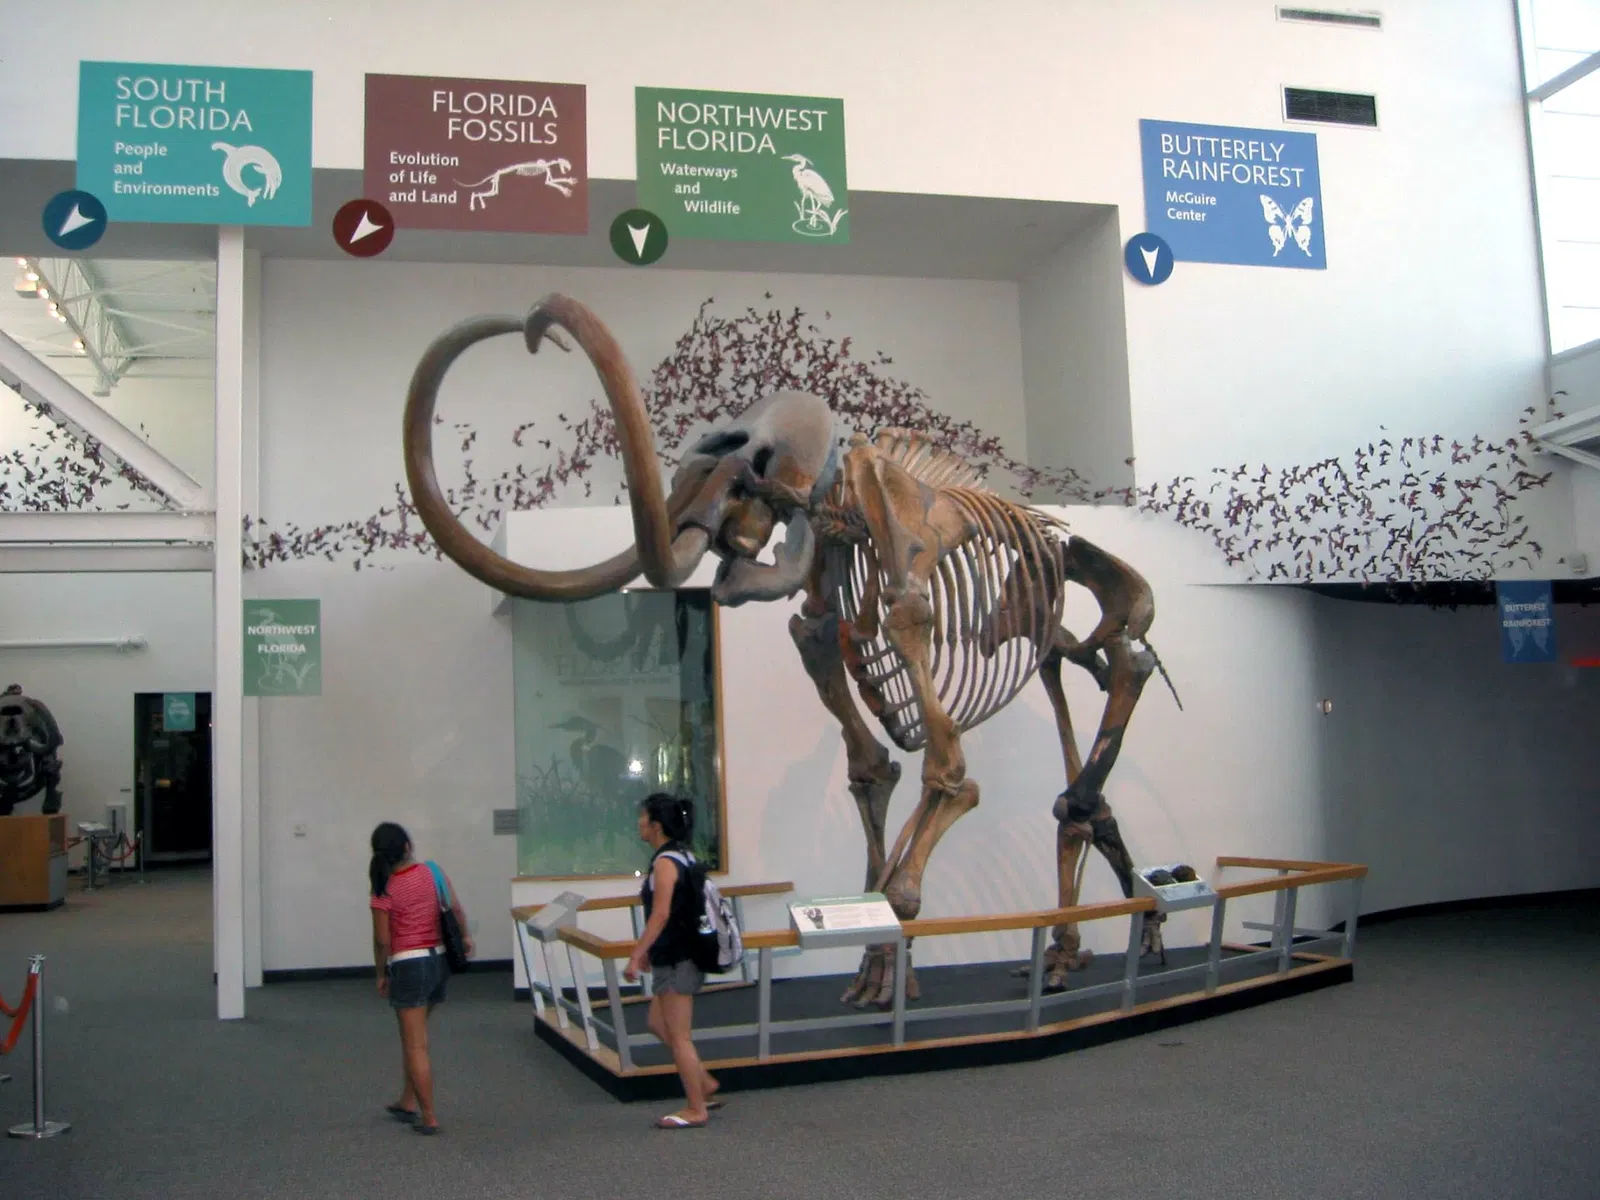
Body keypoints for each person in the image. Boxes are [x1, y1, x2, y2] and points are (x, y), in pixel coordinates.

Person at [624, 792, 722, 1129]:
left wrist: (637, 953)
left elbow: (661, 913)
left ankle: (697, 1107)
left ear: (656, 825)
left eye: (643, 817)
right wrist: (651, 952)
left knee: (680, 1036)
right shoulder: (683, 856)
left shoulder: (666, 862)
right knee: (657, 1022)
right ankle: (703, 1081)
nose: (639, 823)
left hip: (679, 958)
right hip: (676, 955)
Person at [368, 822, 473, 1136]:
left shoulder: (383, 888)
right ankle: (406, 1101)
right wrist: (466, 937)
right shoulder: (431, 872)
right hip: (438, 962)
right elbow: (455, 908)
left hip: (409, 966)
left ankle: (429, 1117)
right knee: (412, 1037)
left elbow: (382, 941)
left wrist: (380, 973)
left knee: (415, 1045)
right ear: (407, 847)